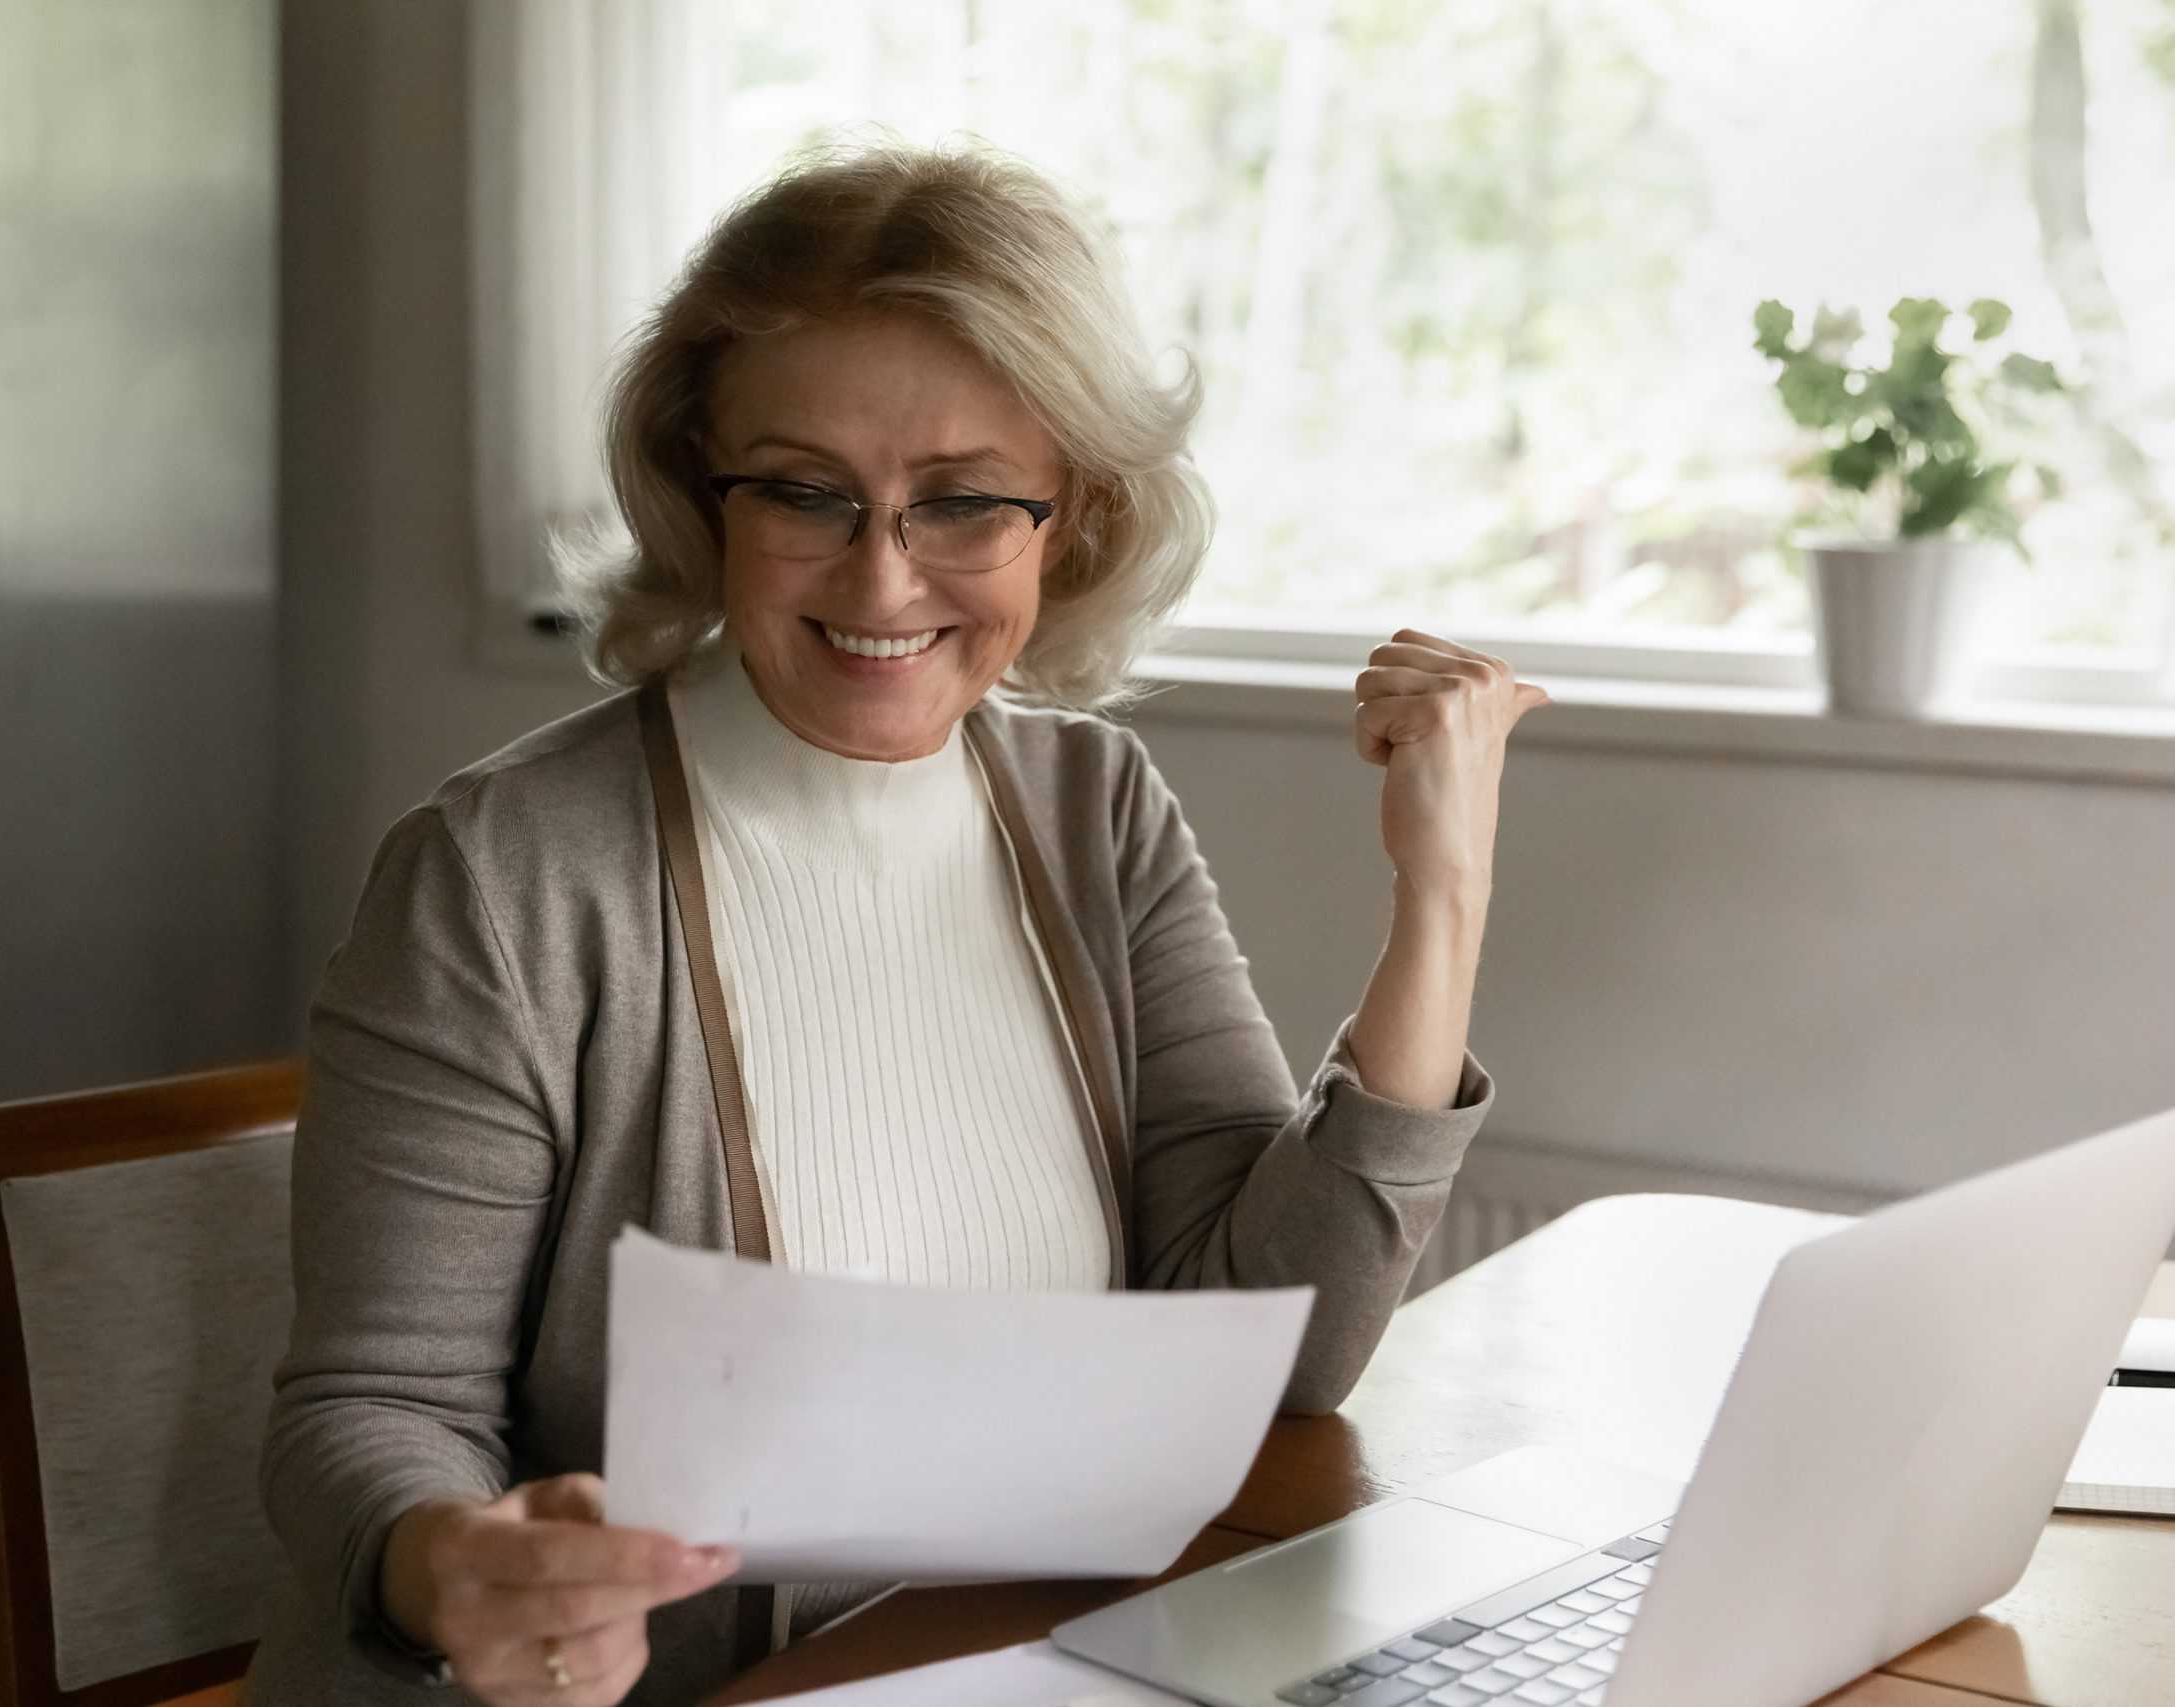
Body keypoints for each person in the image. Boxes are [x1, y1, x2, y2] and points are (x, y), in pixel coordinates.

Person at [247, 141, 1547, 1707]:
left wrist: (1443, 895)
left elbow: (1273, 1344)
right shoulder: (503, 873)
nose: (882, 575)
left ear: (1068, 519)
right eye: (806, 492)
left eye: (963, 504)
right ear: (699, 488)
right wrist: (448, 1558)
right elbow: (368, 1404)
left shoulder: (1096, 810)